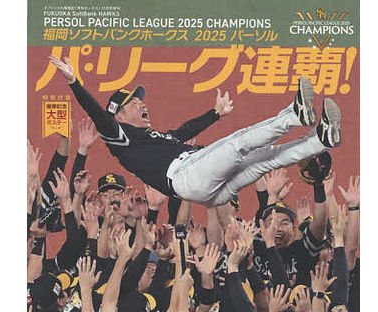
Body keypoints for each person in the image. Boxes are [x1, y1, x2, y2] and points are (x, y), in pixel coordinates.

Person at [49, 55, 342, 207]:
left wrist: (214, 114)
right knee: (238, 142)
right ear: (120, 115)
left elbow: (183, 131)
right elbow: (98, 115)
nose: (142, 104)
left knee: (267, 158)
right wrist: (75, 82)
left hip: (207, 191)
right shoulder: (120, 138)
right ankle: (295, 114)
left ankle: (320, 139)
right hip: (186, 176)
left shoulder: (153, 138)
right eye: (135, 103)